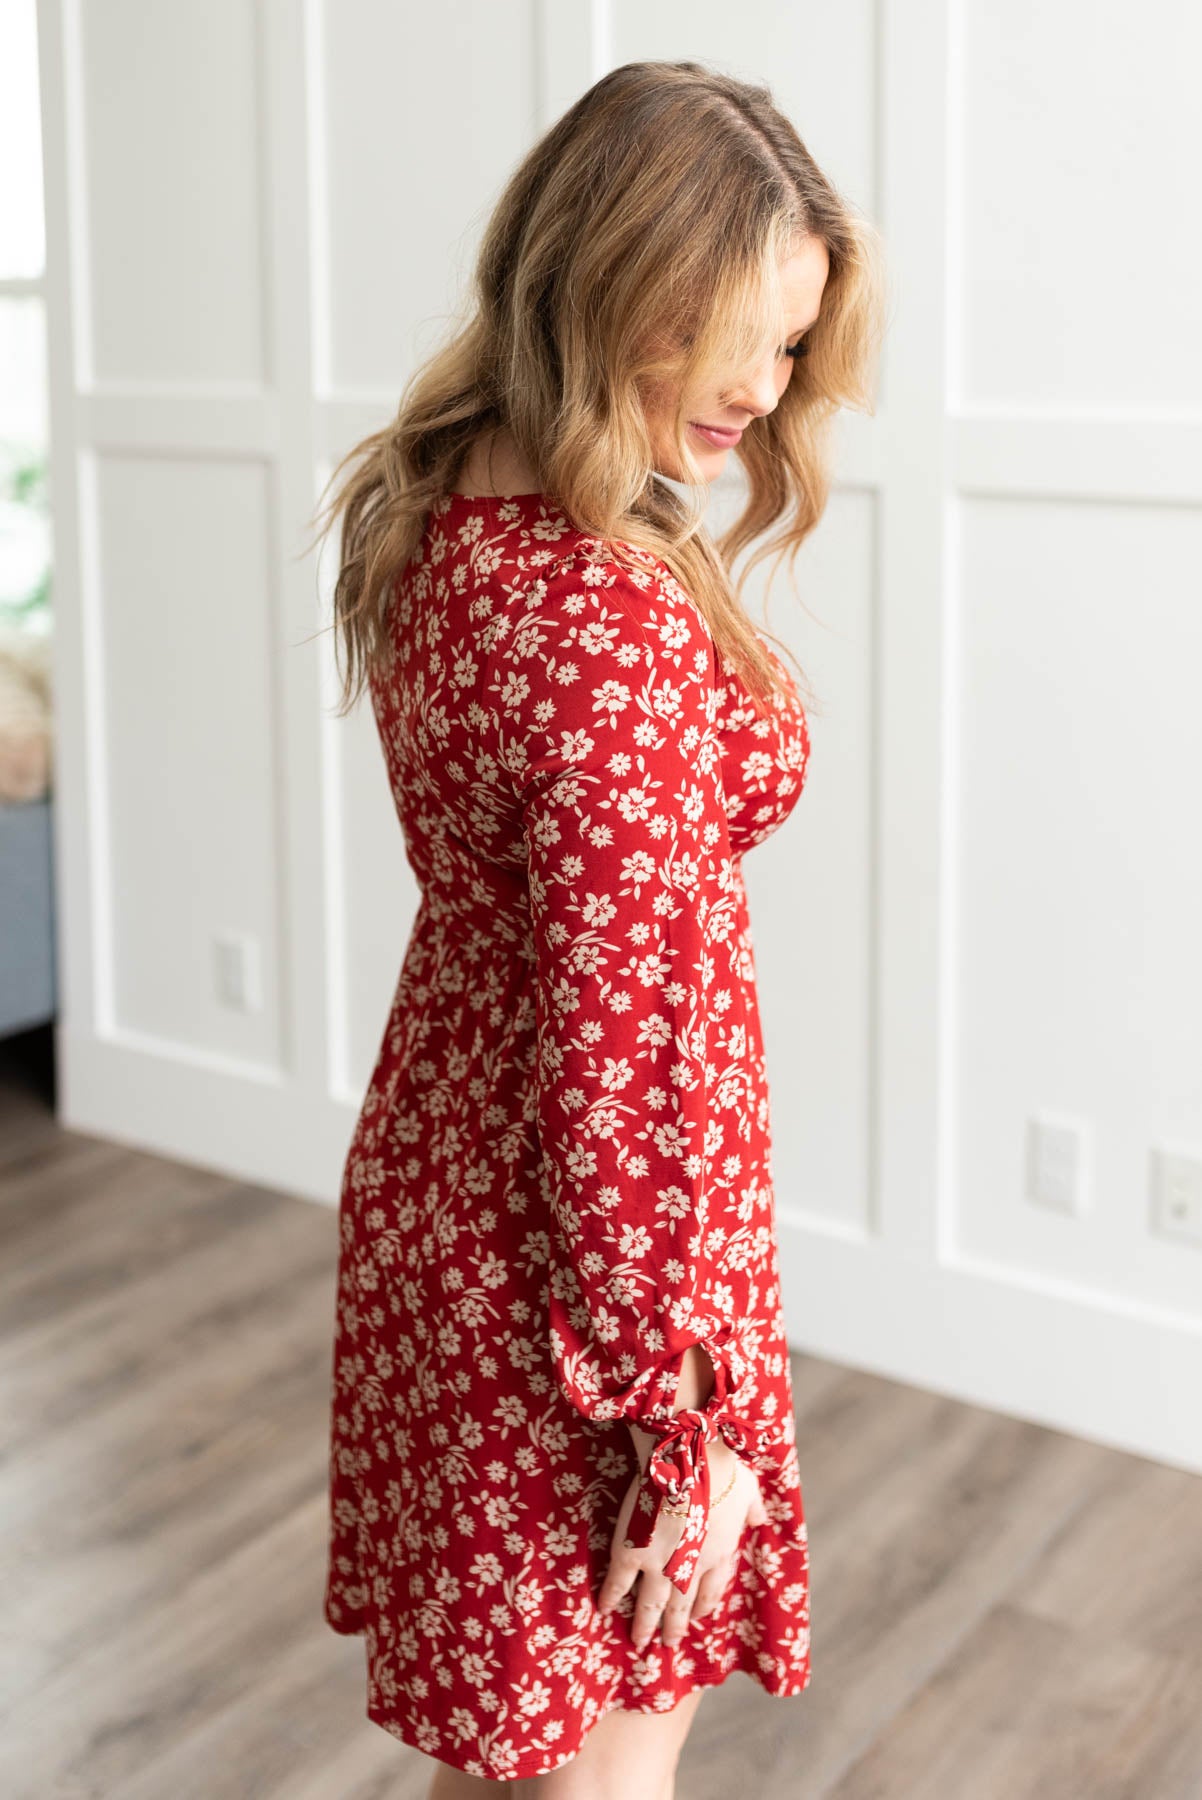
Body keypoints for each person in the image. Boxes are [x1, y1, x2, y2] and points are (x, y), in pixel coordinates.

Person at [311, 58, 884, 1799]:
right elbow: (625, 1072)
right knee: (593, 1770)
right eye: (733, 332)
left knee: (509, 1756)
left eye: (790, 346)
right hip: (594, 1287)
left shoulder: (445, 512)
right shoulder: (607, 636)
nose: (762, 389)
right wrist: (676, 1425)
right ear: (614, 280)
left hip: (454, 1203)